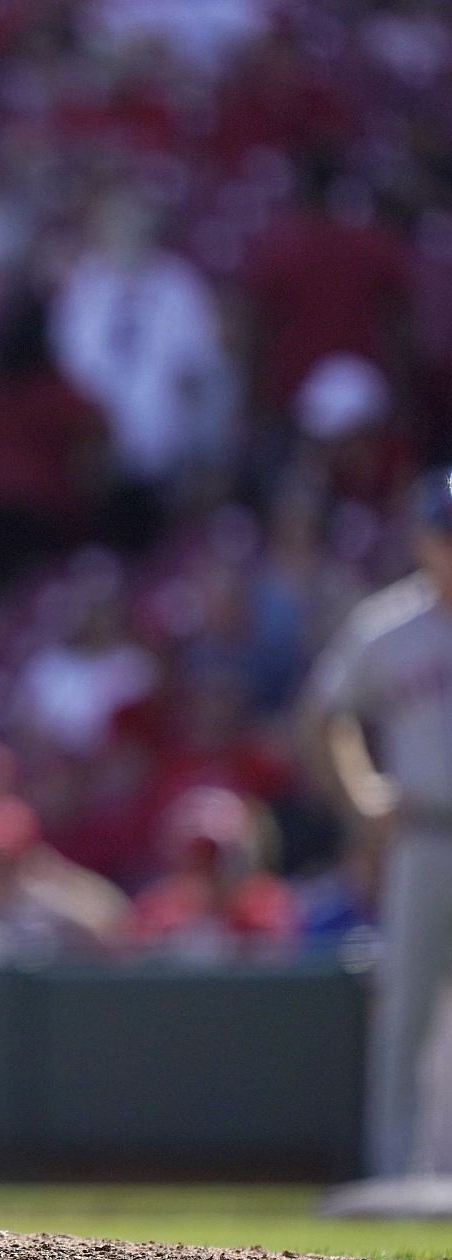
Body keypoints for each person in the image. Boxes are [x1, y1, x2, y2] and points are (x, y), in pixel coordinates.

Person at [302, 469, 452, 1178]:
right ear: (424, 540)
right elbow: (326, 712)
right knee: (408, 1015)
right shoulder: (391, 626)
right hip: (423, 834)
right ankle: (398, 1176)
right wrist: (362, 794)